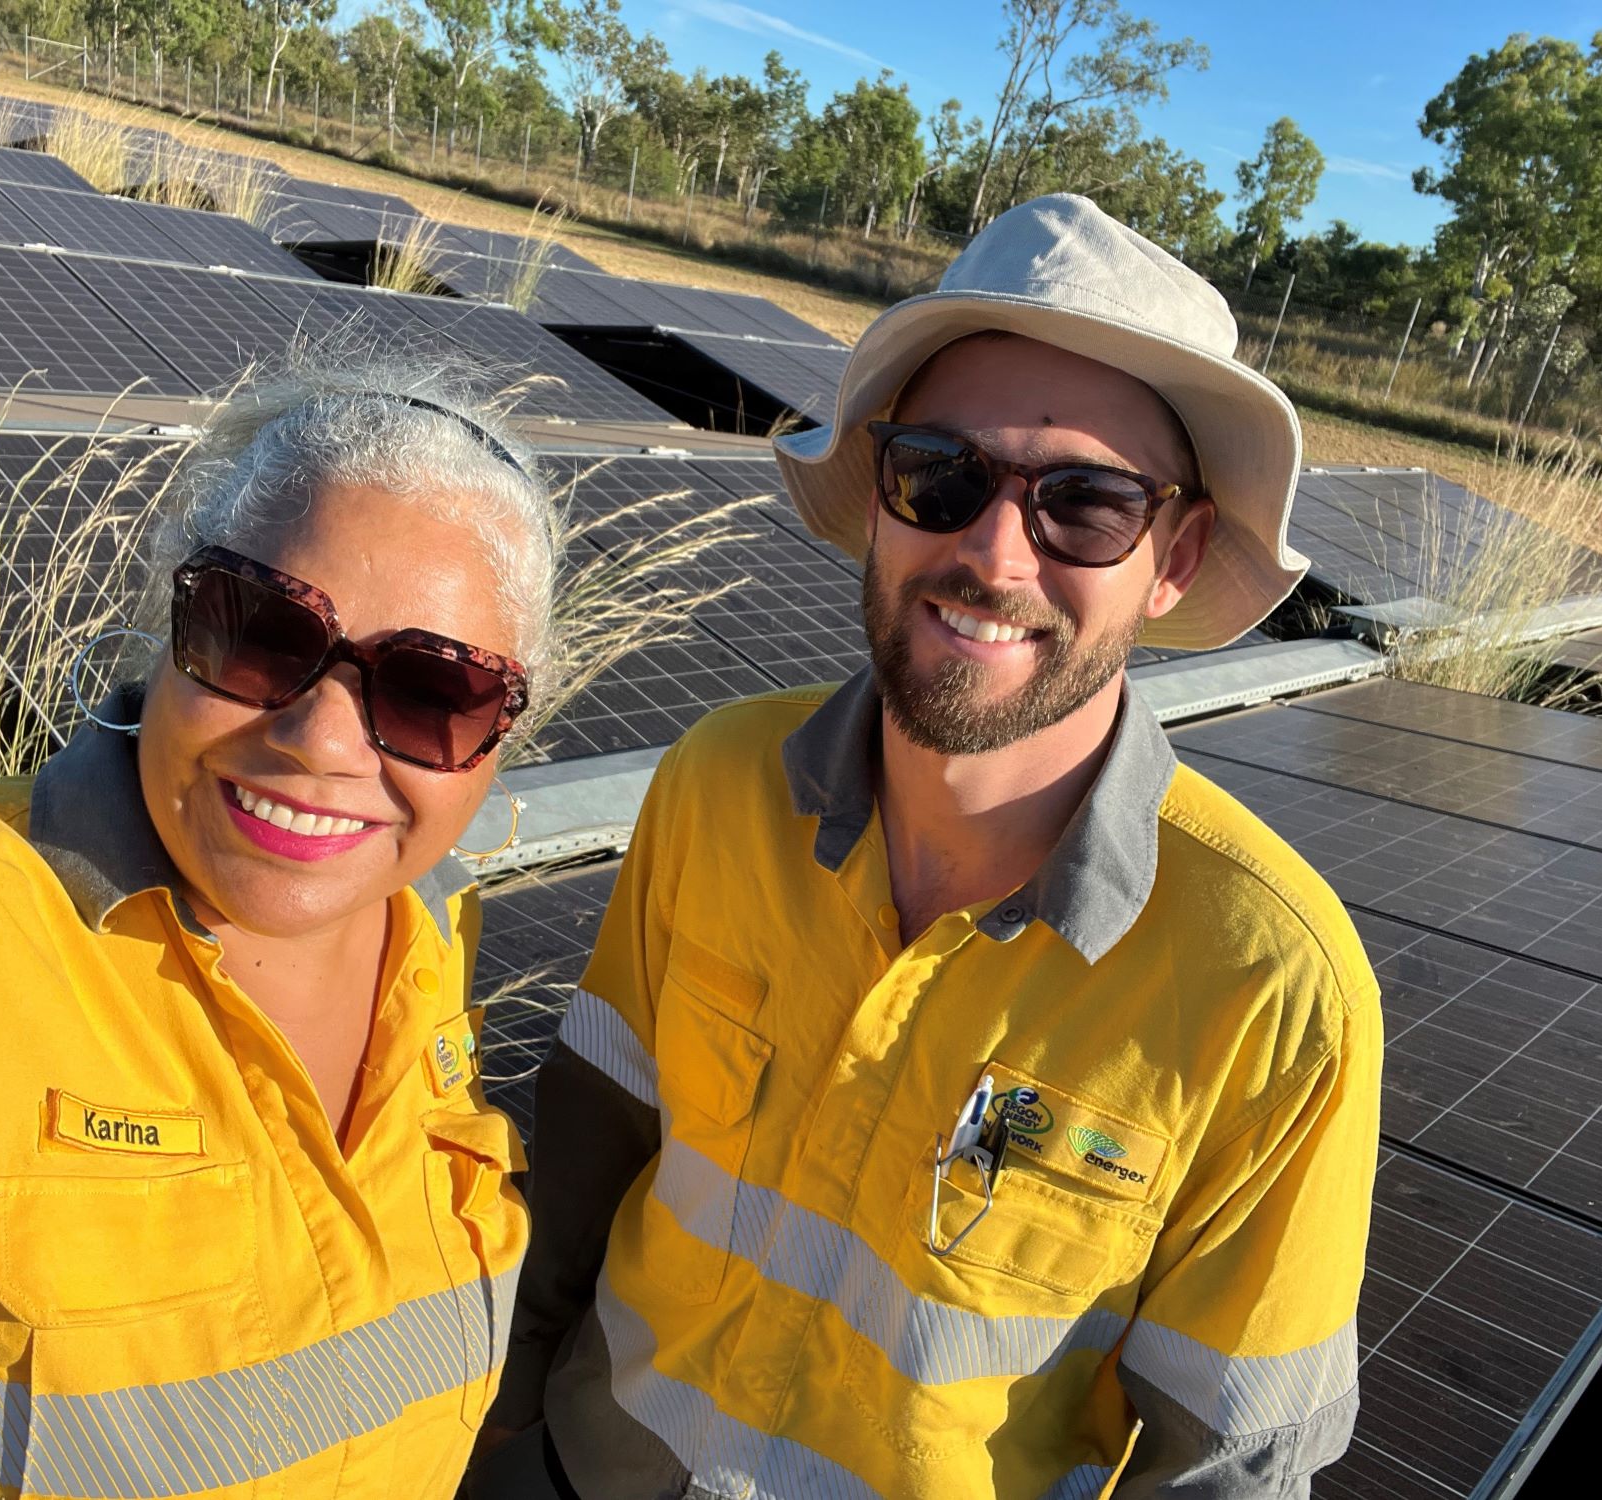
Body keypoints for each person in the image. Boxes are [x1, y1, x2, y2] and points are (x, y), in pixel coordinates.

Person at [483, 194, 1383, 1499]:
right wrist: (494, 1434)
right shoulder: (717, 783)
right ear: (882, 497)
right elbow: (584, 1155)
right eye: (941, 474)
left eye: (1086, 504)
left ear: (1175, 558)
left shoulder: (1272, 990)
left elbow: (1232, 1465)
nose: (994, 549)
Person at [0, 355, 559, 1497]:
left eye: (430, 692)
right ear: (169, 621)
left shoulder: (428, 935)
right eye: (261, 631)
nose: (319, 740)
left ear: (502, 734)